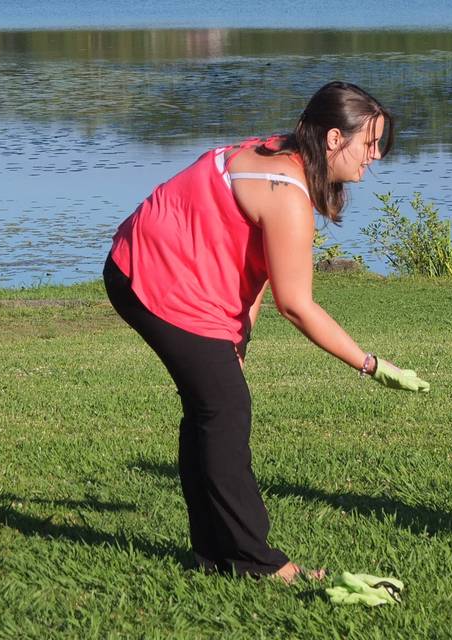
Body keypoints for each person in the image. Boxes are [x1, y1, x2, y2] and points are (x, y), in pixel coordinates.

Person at [103, 81, 429, 583]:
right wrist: (371, 364)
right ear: (335, 139)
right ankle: (257, 562)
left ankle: (214, 553)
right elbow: (296, 305)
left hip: (162, 270)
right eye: (370, 143)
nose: (376, 156)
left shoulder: (282, 151)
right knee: (225, 410)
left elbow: (252, 264)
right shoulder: (287, 195)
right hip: (153, 277)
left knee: (212, 408)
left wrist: (237, 339)